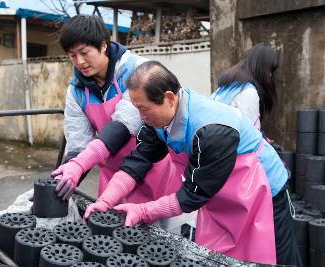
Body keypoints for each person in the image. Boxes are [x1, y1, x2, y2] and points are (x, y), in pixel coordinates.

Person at [85, 61, 301, 266]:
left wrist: (143, 211)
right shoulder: (160, 119)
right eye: (137, 108)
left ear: (169, 98)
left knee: (273, 258)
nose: (141, 116)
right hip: (220, 192)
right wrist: (106, 200)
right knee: (222, 256)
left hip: (263, 192)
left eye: (144, 108)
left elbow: (191, 195)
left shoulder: (211, 130)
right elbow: (138, 160)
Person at [51, 15, 191, 232]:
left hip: (150, 167)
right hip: (113, 178)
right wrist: (67, 177)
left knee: (158, 239)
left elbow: (125, 124)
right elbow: (78, 144)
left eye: (85, 53)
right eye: (72, 55)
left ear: (103, 46)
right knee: (112, 236)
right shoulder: (76, 90)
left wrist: (80, 164)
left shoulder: (137, 72)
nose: (79, 62)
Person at [212, 43, 278, 130]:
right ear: (262, 68)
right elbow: (249, 135)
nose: (270, 75)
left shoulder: (228, 86)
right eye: (270, 70)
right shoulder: (248, 92)